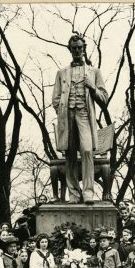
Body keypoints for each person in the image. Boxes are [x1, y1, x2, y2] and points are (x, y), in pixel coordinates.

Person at [52, 34, 108, 205]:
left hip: (84, 114)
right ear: (70, 49)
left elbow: (104, 98)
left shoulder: (94, 72)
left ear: (84, 49)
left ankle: (88, 192)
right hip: (67, 116)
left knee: (87, 151)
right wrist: (62, 111)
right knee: (69, 154)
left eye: (80, 48)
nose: (77, 50)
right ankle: (74, 194)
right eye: (74, 48)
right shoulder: (61, 72)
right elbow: (55, 99)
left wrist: (92, 88)